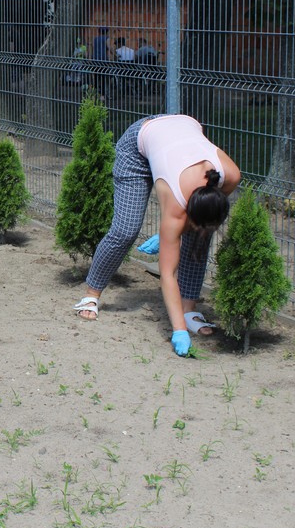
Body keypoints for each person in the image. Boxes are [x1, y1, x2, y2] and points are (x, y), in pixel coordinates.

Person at [72, 114, 241, 356]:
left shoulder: (230, 174)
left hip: (180, 133)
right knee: (125, 229)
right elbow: (167, 274)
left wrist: (188, 230)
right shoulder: (176, 200)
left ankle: (188, 309)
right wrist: (178, 331)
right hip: (139, 142)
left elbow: (208, 211)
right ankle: (91, 294)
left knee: (200, 237)